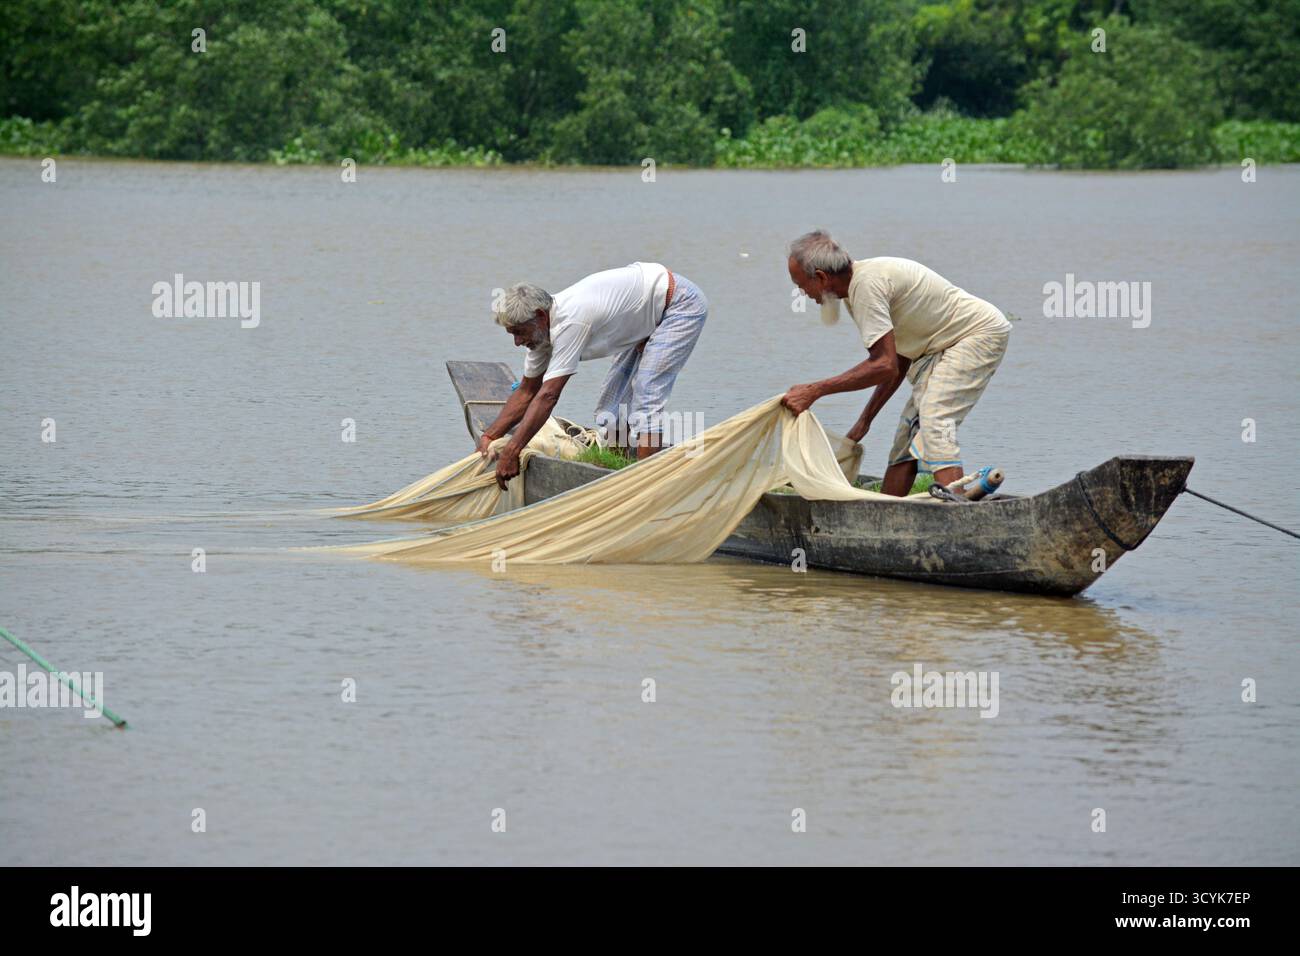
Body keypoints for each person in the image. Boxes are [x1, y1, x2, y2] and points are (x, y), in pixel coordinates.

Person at [781, 230, 1010, 496]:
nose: (802, 293)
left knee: (936, 419)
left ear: (821, 278)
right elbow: (897, 359)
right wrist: (864, 421)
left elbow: (883, 364)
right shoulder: (856, 291)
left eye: (800, 284)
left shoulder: (867, 287)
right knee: (907, 436)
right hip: (938, 348)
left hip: (975, 336)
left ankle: (956, 511)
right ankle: (887, 509)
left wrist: (815, 390)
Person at [479, 262, 708, 489]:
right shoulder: (539, 334)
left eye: (519, 333)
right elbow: (527, 391)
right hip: (642, 314)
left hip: (678, 304)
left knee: (646, 395)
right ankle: (619, 471)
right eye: (512, 334)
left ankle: (644, 487)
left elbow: (548, 395)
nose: (517, 342)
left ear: (540, 316)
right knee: (612, 405)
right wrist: (490, 436)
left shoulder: (571, 321)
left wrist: (512, 451)